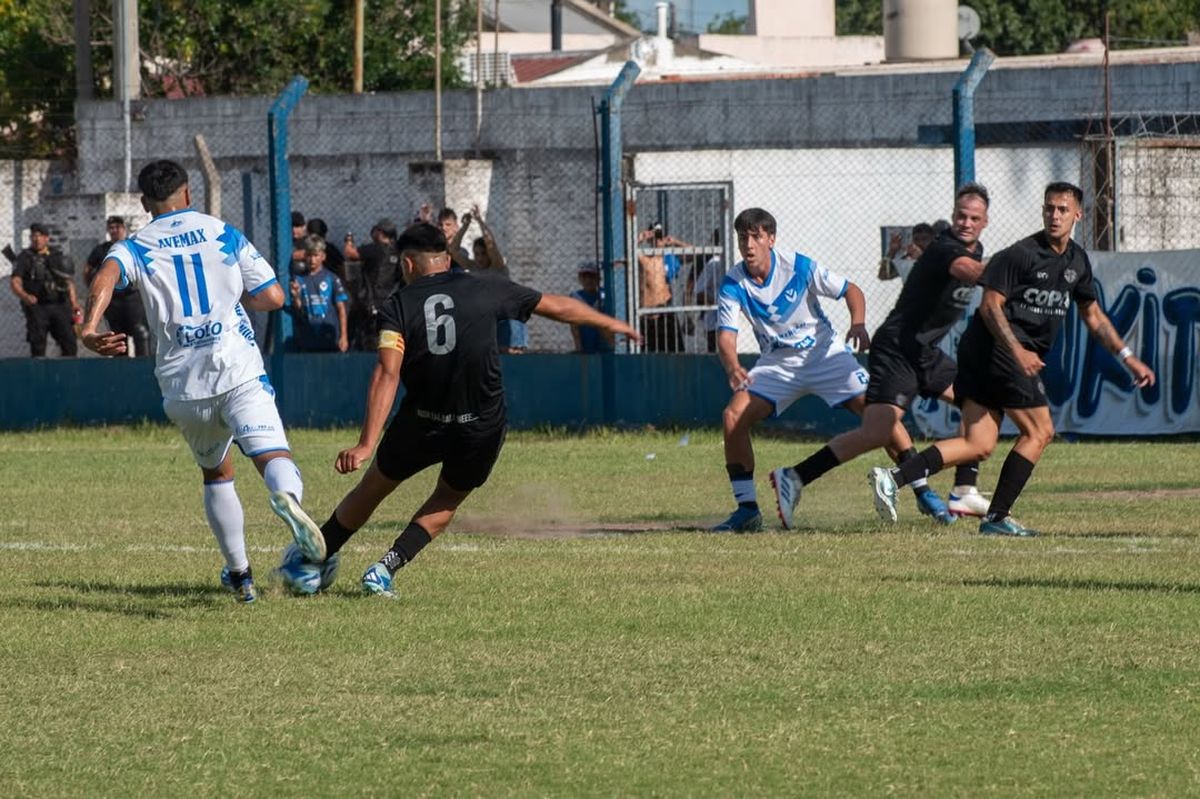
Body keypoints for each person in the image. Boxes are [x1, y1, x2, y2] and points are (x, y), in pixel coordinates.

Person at [275, 223, 640, 598]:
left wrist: (366, 444)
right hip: (480, 424)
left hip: (423, 420)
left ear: (408, 265)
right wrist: (612, 322)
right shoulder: (486, 287)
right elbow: (557, 307)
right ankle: (384, 569)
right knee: (447, 497)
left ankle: (313, 559)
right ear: (446, 259)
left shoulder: (397, 307)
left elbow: (387, 372)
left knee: (372, 488)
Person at [79, 159, 327, 602]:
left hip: (184, 384)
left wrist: (89, 328)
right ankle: (286, 496)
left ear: (143, 203)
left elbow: (105, 275)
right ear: (189, 194)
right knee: (271, 455)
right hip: (237, 370)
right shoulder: (222, 231)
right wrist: (230, 297)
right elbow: (272, 296)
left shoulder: (136, 246)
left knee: (217, 472)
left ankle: (241, 576)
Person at [868, 182, 1155, 536]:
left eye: (1063, 210)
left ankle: (893, 478)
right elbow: (990, 306)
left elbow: (1092, 315)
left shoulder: (1077, 261)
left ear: (1077, 215)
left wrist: (1128, 357)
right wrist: (1018, 351)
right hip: (998, 350)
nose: (1054, 215)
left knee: (979, 444)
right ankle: (997, 518)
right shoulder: (1020, 254)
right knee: (1040, 431)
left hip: (988, 352)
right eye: (1049, 208)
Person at [769, 183, 993, 529]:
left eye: (973, 218)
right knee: (876, 432)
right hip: (898, 349)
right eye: (961, 216)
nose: (966, 222)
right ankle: (795, 476)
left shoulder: (977, 249)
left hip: (925, 353)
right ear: (952, 217)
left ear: (985, 221)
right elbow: (973, 273)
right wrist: (1019, 271)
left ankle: (964, 488)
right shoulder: (946, 248)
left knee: (978, 401)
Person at [712, 207, 930, 533]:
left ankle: (923, 491)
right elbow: (726, 336)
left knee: (880, 412)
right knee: (733, 417)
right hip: (778, 364)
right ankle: (747, 510)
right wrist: (732, 365)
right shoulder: (734, 282)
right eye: (743, 237)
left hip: (825, 354)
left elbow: (851, 290)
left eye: (756, 236)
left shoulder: (798, 266)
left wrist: (858, 323)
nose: (749, 244)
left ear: (771, 239)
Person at [450, 205, 528, 352]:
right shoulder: (474, 268)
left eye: (483, 254)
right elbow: (453, 250)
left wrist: (479, 220)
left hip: (507, 318)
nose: (479, 258)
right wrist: (465, 226)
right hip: (488, 320)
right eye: (476, 254)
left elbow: (491, 244)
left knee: (512, 354)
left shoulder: (498, 266)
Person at [85, 215, 152, 358]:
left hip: (132, 297)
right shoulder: (102, 250)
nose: (114, 231)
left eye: (118, 227)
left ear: (124, 228)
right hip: (113, 299)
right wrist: (96, 289)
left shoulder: (132, 246)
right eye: (111, 228)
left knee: (140, 332)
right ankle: (122, 369)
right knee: (118, 336)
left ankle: (144, 365)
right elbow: (87, 270)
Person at [10, 222, 80, 357]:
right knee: (38, 345)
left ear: (46, 238)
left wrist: (74, 303)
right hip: (38, 306)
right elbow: (15, 281)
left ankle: (68, 374)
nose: (36, 239)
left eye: (40, 236)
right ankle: (39, 377)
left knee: (69, 342)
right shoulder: (25, 257)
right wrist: (25, 296)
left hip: (59, 304)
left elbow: (68, 281)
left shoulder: (56, 255)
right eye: (34, 236)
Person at [344, 217, 402, 346]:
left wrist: (348, 240)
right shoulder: (398, 251)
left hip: (370, 300)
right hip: (389, 300)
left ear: (380, 233)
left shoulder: (375, 249)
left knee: (367, 335)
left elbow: (350, 254)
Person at [288, 234, 350, 353]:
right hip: (308, 337)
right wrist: (296, 296)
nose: (312, 260)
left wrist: (344, 336)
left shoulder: (332, 278)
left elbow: (341, 308)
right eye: (309, 255)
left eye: (316, 255)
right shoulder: (300, 280)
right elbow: (299, 308)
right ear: (305, 256)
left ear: (323, 257)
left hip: (329, 336)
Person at [636, 222, 687, 353]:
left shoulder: (670, 258)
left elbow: (697, 254)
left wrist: (676, 242)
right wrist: (641, 237)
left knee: (676, 352)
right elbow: (626, 251)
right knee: (646, 354)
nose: (657, 241)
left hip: (665, 312)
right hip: (647, 315)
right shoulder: (643, 258)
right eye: (654, 237)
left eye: (659, 237)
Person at [692, 229, 725, 353]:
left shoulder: (736, 262)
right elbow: (698, 291)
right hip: (713, 322)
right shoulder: (714, 264)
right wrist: (718, 303)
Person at [570, 261, 612, 353]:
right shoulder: (576, 296)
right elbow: (574, 326)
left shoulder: (604, 294)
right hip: (585, 342)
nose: (588, 280)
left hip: (603, 344)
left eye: (592, 277)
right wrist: (578, 347)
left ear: (598, 278)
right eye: (585, 277)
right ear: (580, 279)